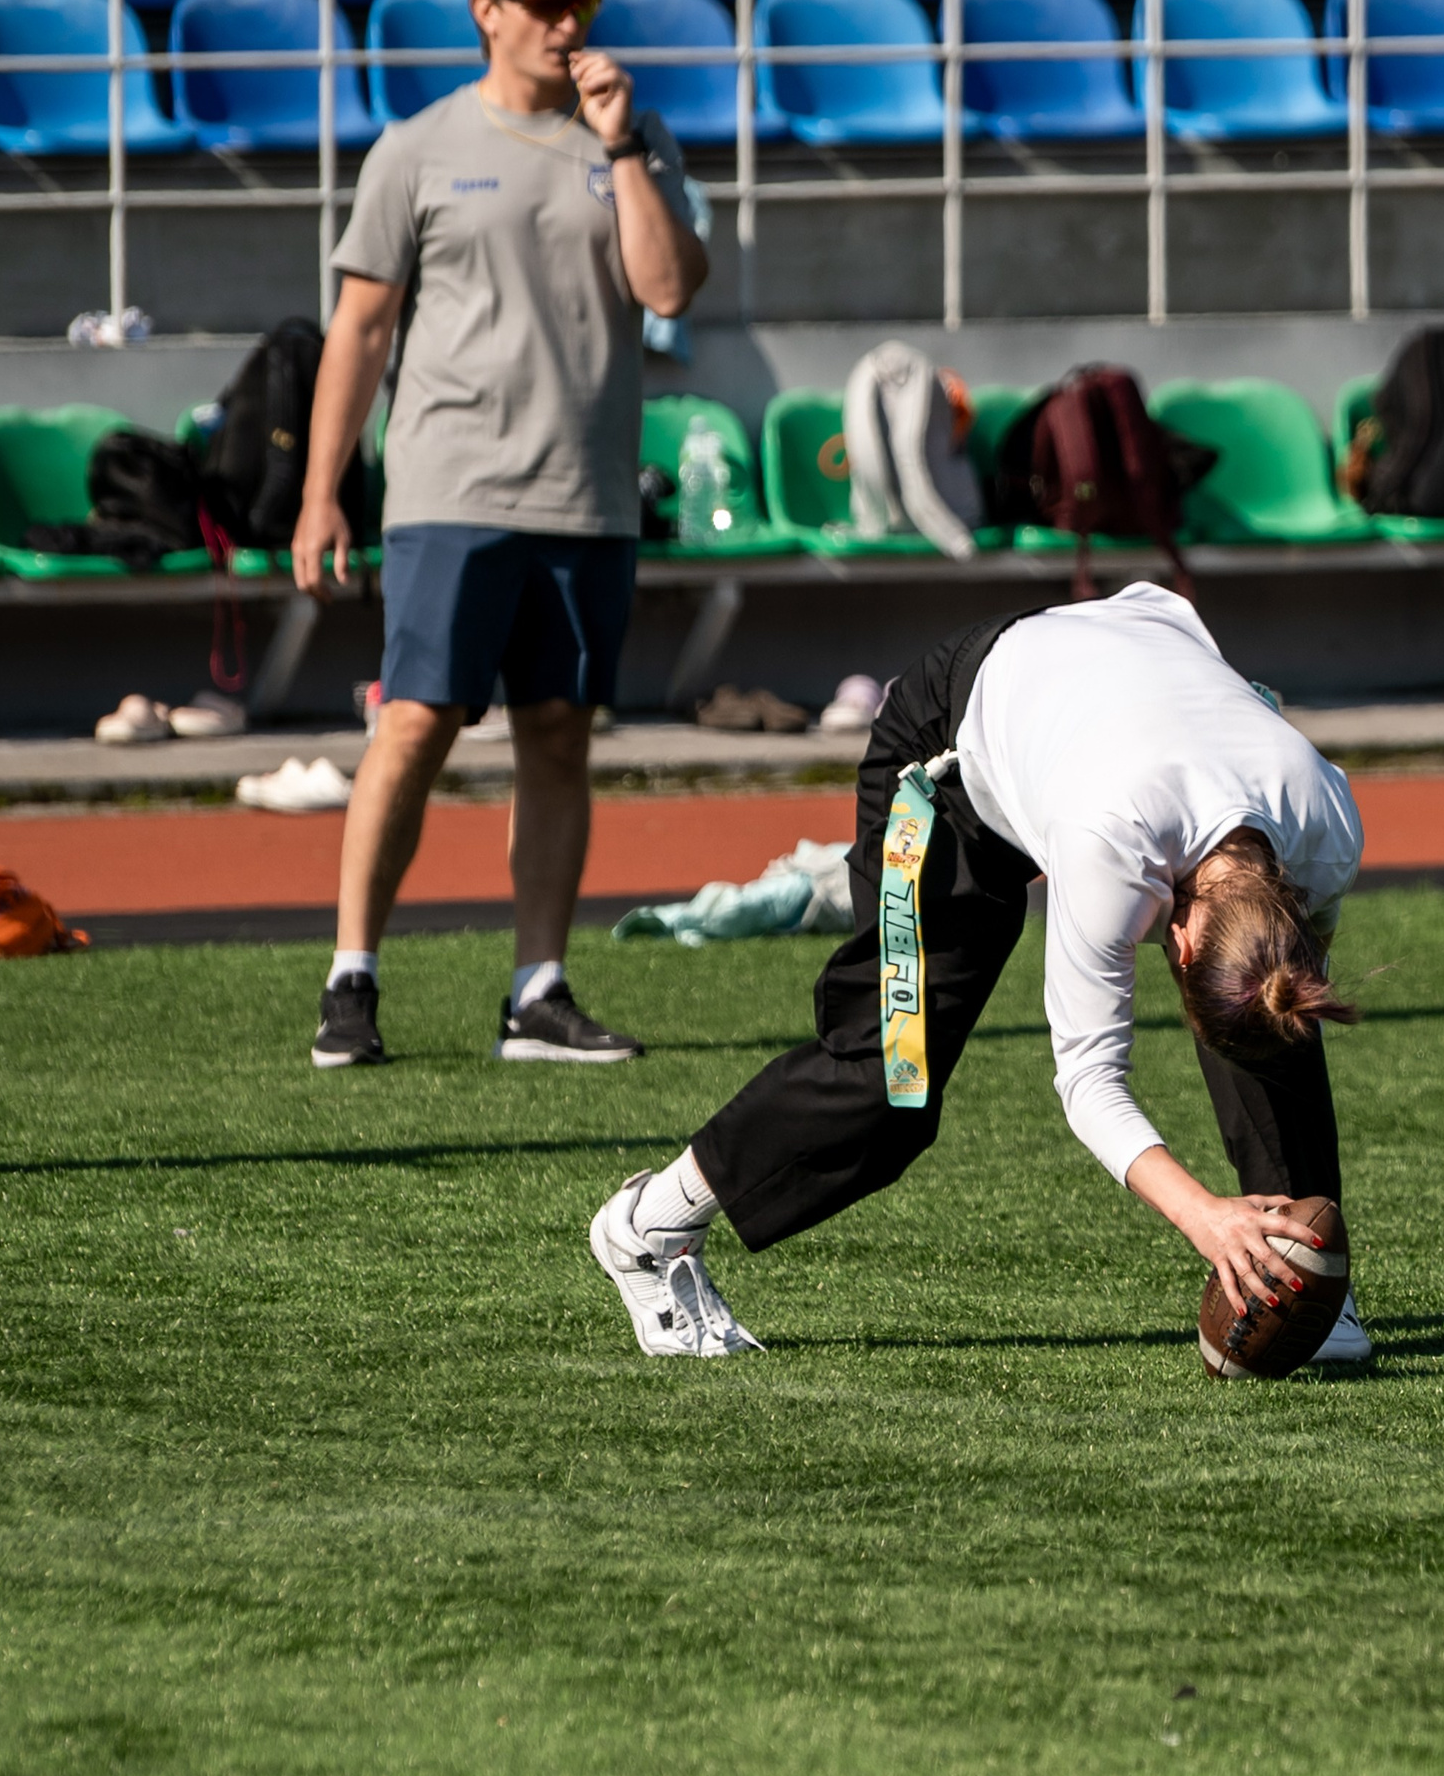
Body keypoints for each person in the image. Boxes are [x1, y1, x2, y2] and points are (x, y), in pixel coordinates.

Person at [587, 583, 1375, 1363]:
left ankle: (1297, 1269)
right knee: (890, 1077)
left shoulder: (1327, 829)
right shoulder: (1113, 844)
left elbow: (1279, 984)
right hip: (952, 746)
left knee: (1267, 1009)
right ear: (1181, 936)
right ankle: (650, 1225)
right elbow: (1089, 1081)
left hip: (1101, 690)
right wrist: (1203, 1215)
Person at [290, 0, 708, 1069]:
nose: (567, 22)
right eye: (543, 1)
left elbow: (668, 287)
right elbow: (358, 330)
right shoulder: (417, 148)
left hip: (587, 492)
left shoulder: (633, 136)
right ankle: (351, 976)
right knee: (416, 721)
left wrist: (623, 148)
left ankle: (537, 990)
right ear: (485, 9)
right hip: (450, 484)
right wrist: (321, 492)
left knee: (559, 736)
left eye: (582, 2)